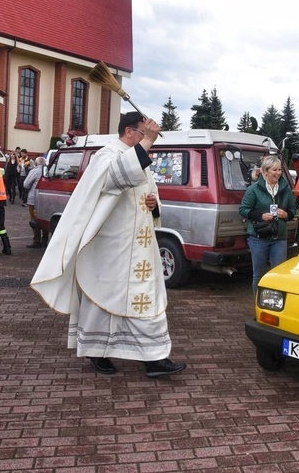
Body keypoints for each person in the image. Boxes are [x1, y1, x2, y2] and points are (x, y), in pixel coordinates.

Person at [31, 111, 186, 378]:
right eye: (142, 133)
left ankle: (154, 358)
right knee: (102, 298)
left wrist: (154, 205)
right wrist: (147, 141)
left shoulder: (140, 159)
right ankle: (96, 350)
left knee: (144, 299)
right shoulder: (107, 156)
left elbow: (149, 194)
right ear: (129, 132)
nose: (147, 139)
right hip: (110, 247)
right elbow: (118, 177)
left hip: (140, 249)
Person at [239, 155, 297, 295]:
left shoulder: (285, 189)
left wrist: (286, 214)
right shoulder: (254, 189)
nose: (278, 173)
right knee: (258, 274)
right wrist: (261, 216)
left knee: (278, 275)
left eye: (280, 170)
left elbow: (293, 210)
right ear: (265, 172)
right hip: (259, 238)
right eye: (274, 170)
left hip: (279, 238)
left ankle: (274, 306)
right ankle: (258, 306)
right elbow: (243, 210)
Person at [23, 156, 48, 248]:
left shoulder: (34, 171)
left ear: (36, 163)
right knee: (44, 218)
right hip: (45, 199)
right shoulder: (48, 171)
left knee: (34, 220)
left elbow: (26, 184)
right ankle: (45, 239)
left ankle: (37, 240)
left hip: (34, 199)